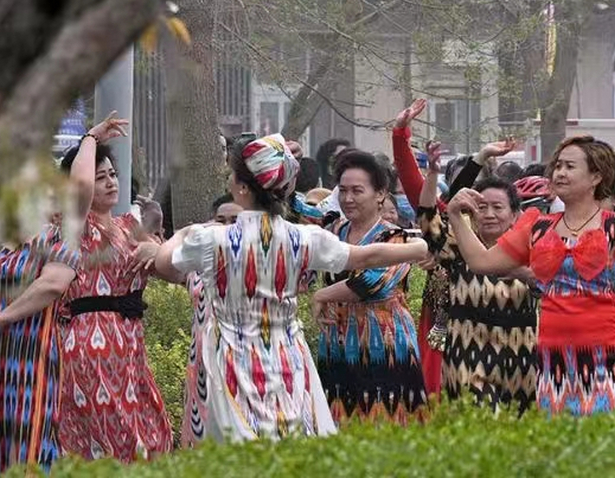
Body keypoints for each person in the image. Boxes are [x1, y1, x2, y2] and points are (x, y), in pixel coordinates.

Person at [150, 134, 430, 444]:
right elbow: (366, 255)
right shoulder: (305, 238)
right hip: (287, 356)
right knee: (292, 441)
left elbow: (164, 264)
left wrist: (186, 232)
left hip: (229, 358)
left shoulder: (211, 240)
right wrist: (417, 248)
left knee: (236, 448)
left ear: (242, 187)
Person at [448, 127, 615, 416]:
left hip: (607, 358)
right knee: (561, 451)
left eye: (570, 166)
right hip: (554, 361)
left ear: (596, 177)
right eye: (557, 165)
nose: (559, 172)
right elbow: (481, 262)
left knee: (605, 449)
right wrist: (456, 217)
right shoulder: (538, 226)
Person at [55, 122, 171, 462]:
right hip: (92, 344)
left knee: (153, 433)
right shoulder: (74, 225)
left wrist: (164, 252)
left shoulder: (128, 226)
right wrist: (90, 138)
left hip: (130, 343)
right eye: (100, 176)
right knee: (112, 439)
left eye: (112, 175)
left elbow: (167, 268)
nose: (110, 182)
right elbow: (79, 187)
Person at [0, 214, 84, 477]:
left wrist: (3, 318)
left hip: (28, 364)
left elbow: (53, 284)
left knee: (28, 448)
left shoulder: (58, 238)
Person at [416, 143, 540, 411]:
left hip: (521, 361)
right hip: (467, 360)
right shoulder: (457, 248)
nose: (490, 214)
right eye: (482, 207)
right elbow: (428, 219)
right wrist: (434, 174)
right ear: (471, 212)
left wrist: (524, 273)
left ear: (515, 215)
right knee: (477, 432)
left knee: (519, 439)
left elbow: (551, 287)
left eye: (498, 207)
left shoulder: (533, 250)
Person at [309, 147, 429, 424]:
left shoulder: (394, 237)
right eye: (343, 190)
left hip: (383, 344)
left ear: (380, 194)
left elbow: (372, 283)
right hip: (337, 342)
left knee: (385, 421)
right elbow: (293, 205)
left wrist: (323, 294)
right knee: (338, 423)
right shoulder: (334, 230)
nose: (348, 198)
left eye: (357, 191)